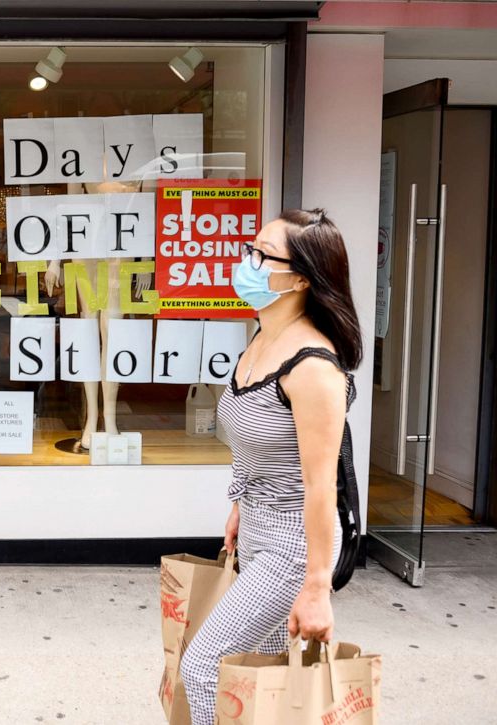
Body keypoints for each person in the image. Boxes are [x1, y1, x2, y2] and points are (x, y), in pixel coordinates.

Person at [180, 209, 362, 725]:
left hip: (292, 548)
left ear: (302, 277)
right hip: (257, 531)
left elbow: (321, 486)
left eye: (262, 255)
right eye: (249, 250)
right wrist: (240, 500)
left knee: (204, 666)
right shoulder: (260, 337)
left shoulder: (312, 368)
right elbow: (250, 441)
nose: (248, 263)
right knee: (251, 678)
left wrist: (317, 588)